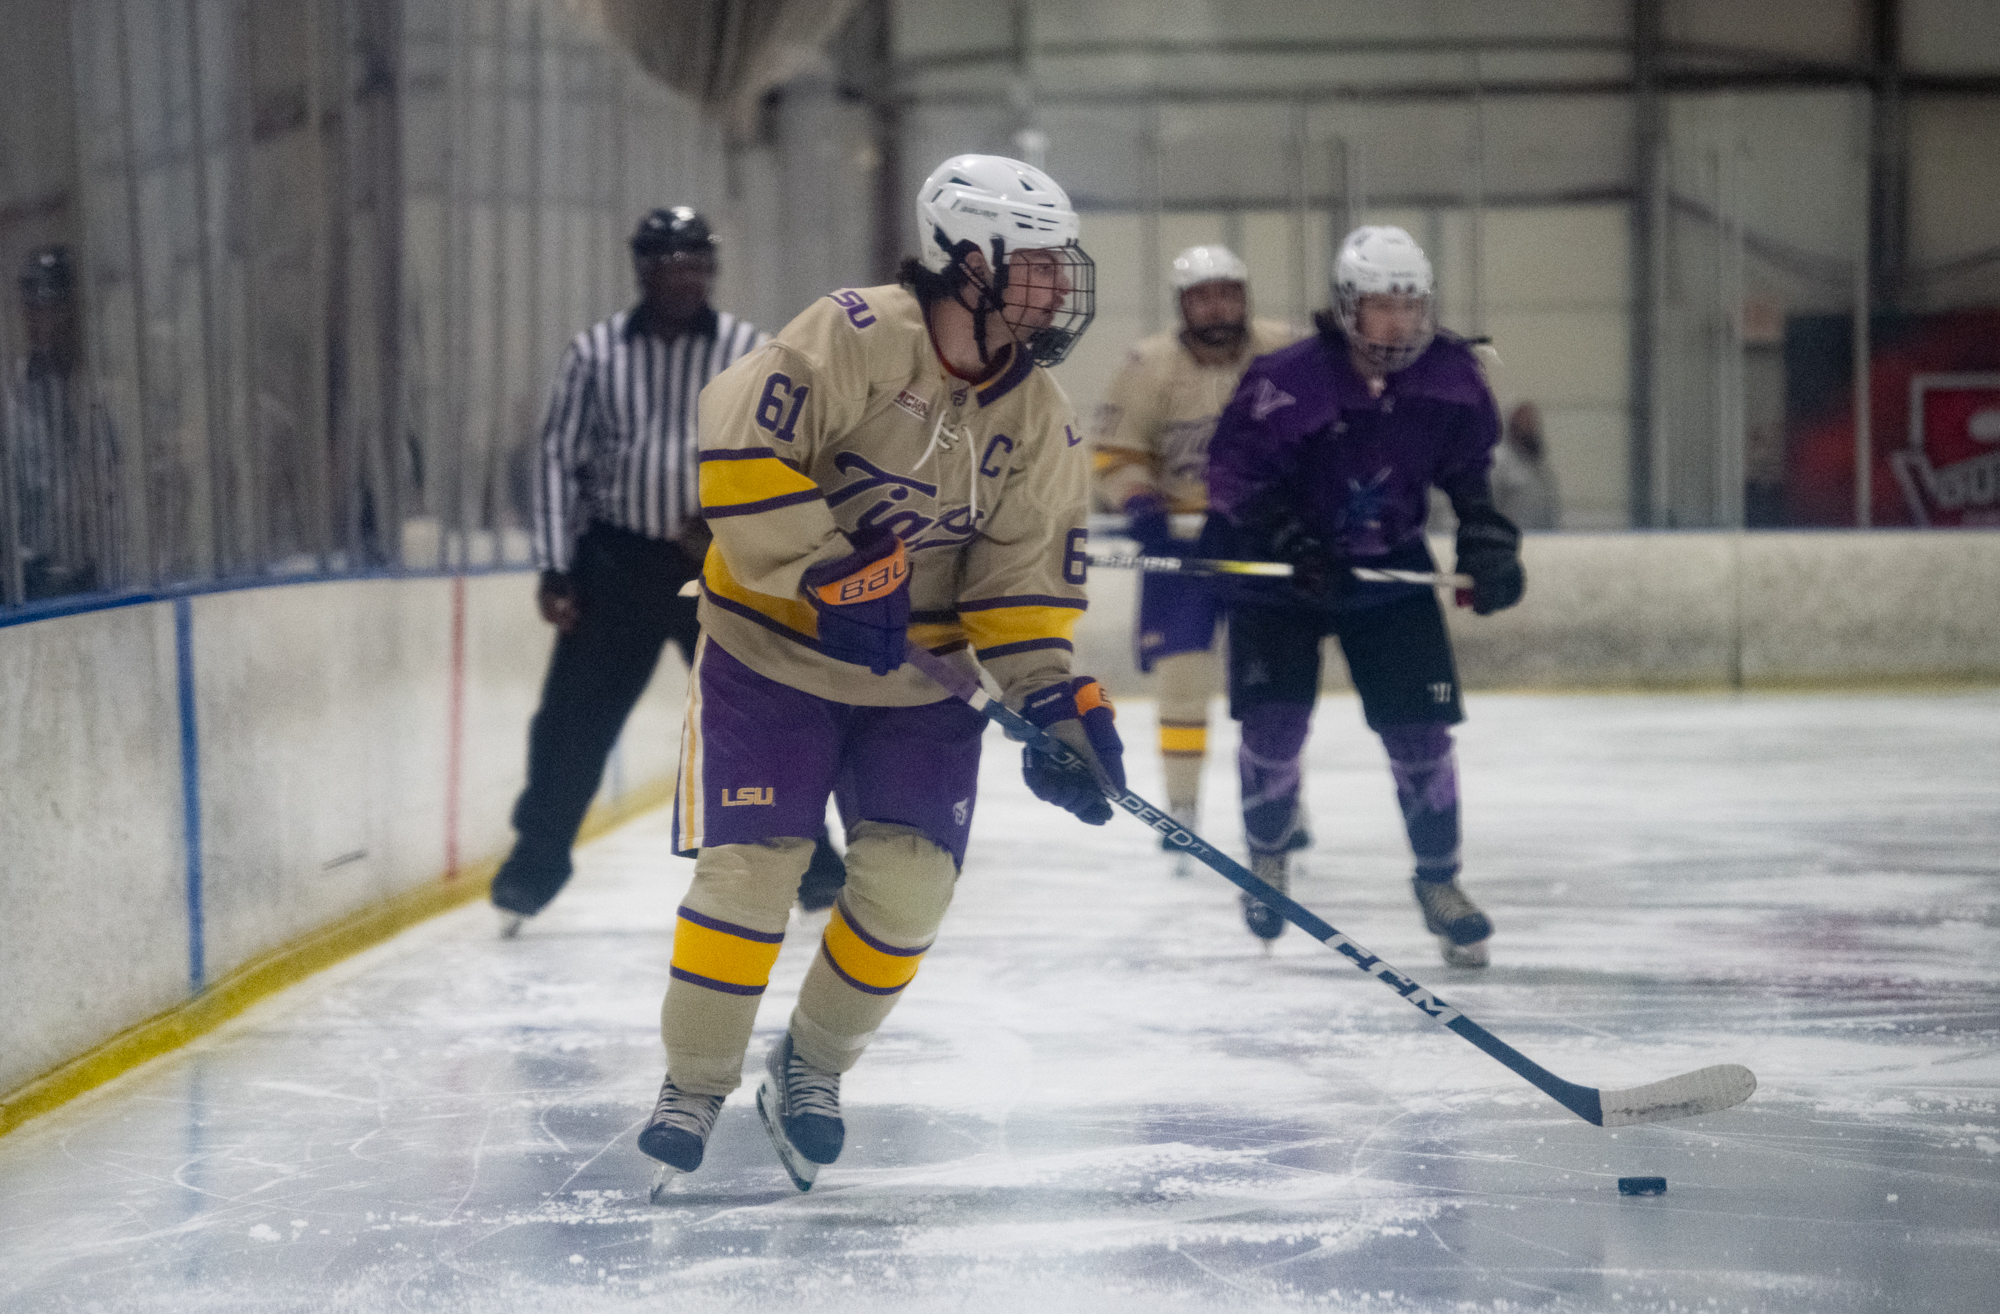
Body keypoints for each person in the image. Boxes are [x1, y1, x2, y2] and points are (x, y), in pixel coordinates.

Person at [636, 154, 1121, 1195]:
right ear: (961, 258)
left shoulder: (1039, 415)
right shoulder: (852, 331)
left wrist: (1054, 702)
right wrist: (825, 574)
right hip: (769, 656)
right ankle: (693, 1082)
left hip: (922, 683)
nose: (1050, 287)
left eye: (1053, 267)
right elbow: (738, 450)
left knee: (909, 890)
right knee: (748, 876)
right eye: (1029, 265)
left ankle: (808, 1067)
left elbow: (1021, 585)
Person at [492, 207, 846, 934]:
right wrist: (556, 569)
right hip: (616, 563)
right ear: (641, 267)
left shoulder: (752, 352)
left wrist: (732, 521)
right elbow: (559, 460)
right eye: (663, 260)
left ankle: (815, 867)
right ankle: (534, 869)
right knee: (572, 725)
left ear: (710, 268)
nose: (679, 274)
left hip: (719, 566)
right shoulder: (593, 355)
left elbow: (788, 455)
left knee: (758, 719)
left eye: (692, 261)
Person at [1202, 225, 1524, 965]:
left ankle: (1440, 883)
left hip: (1387, 570)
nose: (1402, 322)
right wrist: (1290, 540)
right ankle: (1268, 863)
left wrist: (1486, 537)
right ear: (1349, 306)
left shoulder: (1452, 377)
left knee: (1421, 734)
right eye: (1384, 306)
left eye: (1413, 306)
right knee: (1274, 730)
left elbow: (1470, 473)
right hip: (1281, 577)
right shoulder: (1288, 378)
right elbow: (1233, 475)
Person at [1091, 246, 1301, 866]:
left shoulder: (1286, 353)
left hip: (1264, 536)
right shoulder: (1148, 365)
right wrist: (1138, 505)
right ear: (1183, 304)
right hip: (1183, 543)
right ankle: (1181, 811)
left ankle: (1287, 802)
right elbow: (1115, 450)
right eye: (1204, 296)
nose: (1218, 308)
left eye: (1228, 294)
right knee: (1182, 683)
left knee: (1275, 685)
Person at [3, 246, 114, 604]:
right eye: (32, 306)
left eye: (50, 306)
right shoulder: (11, 396)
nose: (39, 318)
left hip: (89, 575)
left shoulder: (95, 389)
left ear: (70, 310)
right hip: (28, 581)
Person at [1491, 401, 1560, 530]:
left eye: (1532, 420)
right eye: (1524, 420)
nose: (1530, 425)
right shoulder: (1499, 461)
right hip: (1510, 539)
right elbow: (1491, 504)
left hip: (1543, 539)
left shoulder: (1539, 464)